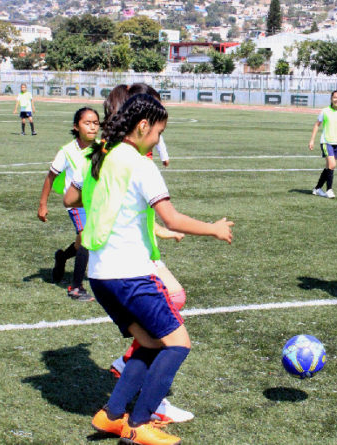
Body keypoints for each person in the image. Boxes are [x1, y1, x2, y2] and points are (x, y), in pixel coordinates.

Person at [64, 93, 233, 445]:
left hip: (100, 275)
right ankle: (140, 423)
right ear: (142, 127)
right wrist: (214, 228)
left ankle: (111, 416)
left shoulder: (102, 156)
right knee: (178, 344)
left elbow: (77, 198)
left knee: (149, 342)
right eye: (158, 132)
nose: (158, 140)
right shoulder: (140, 164)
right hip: (130, 273)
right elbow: (171, 216)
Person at [37, 107, 100, 301]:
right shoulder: (67, 151)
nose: (92, 127)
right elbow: (50, 177)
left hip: (93, 202)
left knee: (85, 241)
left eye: (96, 123)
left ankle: (62, 257)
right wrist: (42, 204)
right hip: (75, 203)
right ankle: (76, 286)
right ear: (76, 126)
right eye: (87, 123)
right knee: (85, 237)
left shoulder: (100, 148)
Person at [309, 90, 337, 199]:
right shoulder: (325, 111)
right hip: (326, 141)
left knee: (329, 167)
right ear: (331, 99)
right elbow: (317, 125)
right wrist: (312, 140)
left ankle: (317, 188)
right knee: (332, 165)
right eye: (334, 97)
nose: (336, 99)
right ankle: (329, 190)